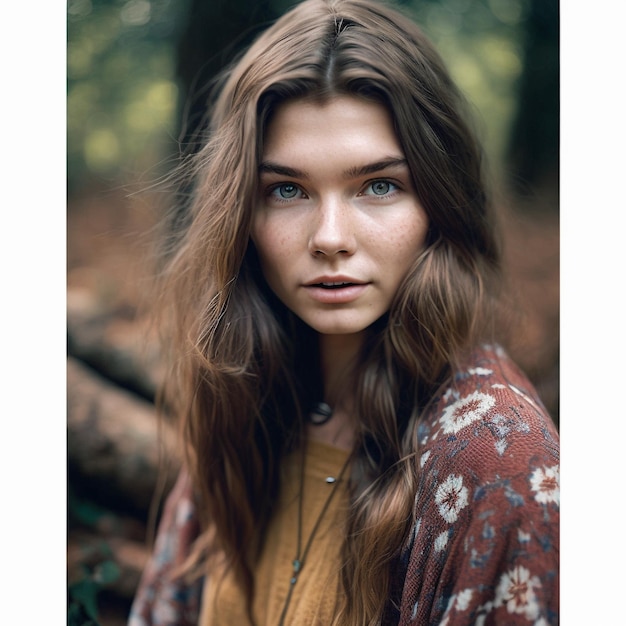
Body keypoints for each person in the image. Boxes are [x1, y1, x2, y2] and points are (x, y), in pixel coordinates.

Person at [129, 0, 560, 624]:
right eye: (287, 190)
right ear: (240, 216)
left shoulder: (499, 465)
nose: (330, 236)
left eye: (379, 185)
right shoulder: (251, 398)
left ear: (439, 202)